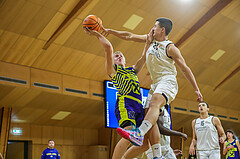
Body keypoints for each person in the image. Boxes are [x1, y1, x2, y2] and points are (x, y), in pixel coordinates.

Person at [102, 17, 203, 158]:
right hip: (155, 84)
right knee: (149, 116)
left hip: (167, 80)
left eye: (155, 26)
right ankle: (157, 155)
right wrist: (110, 31)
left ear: (162, 30)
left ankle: (139, 133)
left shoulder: (170, 47)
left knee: (154, 102)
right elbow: (129, 36)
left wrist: (196, 89)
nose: (152, 28)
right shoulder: (150, 39)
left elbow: (185, 69)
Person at [84, 28, 153, 159]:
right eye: (116, 56)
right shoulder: (113, 71)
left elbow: (144, 57)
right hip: (125, 103)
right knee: (129, 135)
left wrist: (148, 41)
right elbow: (108, 47)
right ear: (113, 61)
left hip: (139, 106)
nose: (119, 56)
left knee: (145, 145)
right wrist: (96, 33)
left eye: (121, 55)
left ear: (125, 60)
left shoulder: (132, 70)